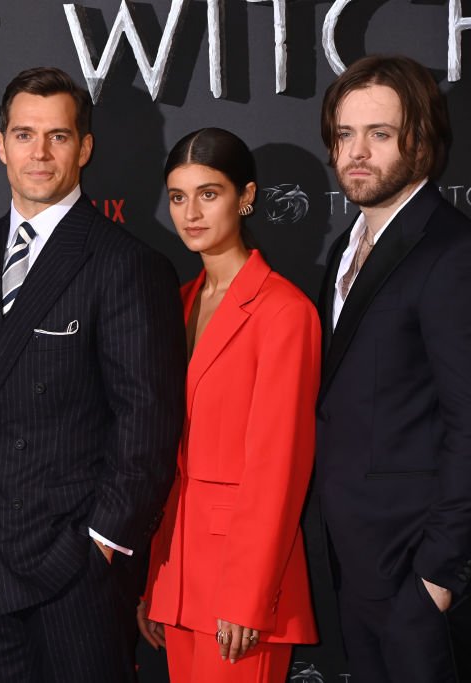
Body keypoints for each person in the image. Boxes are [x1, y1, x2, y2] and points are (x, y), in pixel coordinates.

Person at [0, 66, 186, 682]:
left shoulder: (125, 263)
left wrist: (102, 541)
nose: (40, 153)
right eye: (24, 135)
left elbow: (147, 422)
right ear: (1, 145)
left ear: (86, 147)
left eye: (58, 136)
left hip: (74, 567)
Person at [136, 128, 319, 681]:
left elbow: (279, 467)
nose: (190, 213)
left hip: (242, 587)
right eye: (177, 197)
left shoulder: (284, 311)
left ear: (246, 197)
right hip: (177, 571)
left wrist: (247, 595)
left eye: (209, 194)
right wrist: (155, 580)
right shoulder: (178, 304)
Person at [315, 54, 471, 682]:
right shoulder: (343, 249)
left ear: (421, 141)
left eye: (379, 134)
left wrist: (438, 576)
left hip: (417, 575)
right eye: (344, 134)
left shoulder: (452, 252)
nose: (356, 152)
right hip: (356, 565)